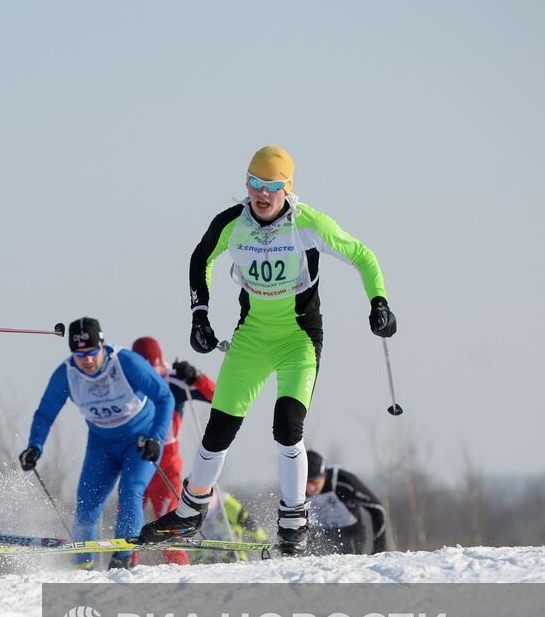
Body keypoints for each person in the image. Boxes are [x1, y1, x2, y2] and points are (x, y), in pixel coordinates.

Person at [138, 145, 396, 556]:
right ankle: (189, 513)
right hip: (251, 338)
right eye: (255, 184)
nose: (262, 194)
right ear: (246, 184)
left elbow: (362, 255)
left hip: (298, 339)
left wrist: (379, 302)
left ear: (287, 188)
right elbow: (200, 258)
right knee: (218, 429)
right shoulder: (232, 223)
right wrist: (200, 315)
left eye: (271, 186)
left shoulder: (308, 223)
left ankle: (293, 523)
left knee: (287, 425)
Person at [19, 318, 173, 569]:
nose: (87, 360)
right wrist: (35, 446)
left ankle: (122, 559)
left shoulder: (126, 363)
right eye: (80, 354)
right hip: (102, 444)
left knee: (130, 492)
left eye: (92, 352)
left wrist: (156, 437)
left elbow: (165, 397)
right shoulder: (66, 374)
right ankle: (82, 568)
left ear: (102, 347)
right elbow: (46, 413)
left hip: (140, 440)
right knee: (87, 504)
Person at [129, 336, 216, 565]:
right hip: (136, 459)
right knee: (128, 516)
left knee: (169, 523)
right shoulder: (127, 381)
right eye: (144, 370)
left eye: (153, 369)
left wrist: (196, 377)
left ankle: (180, 571)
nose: (150, 376)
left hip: (166, 464)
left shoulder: (173, 381)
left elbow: (217, 397)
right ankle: (125, 565)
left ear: (160, 364)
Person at [303, 450, 389, 555]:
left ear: (324, 474)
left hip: (350, 534)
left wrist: (378, 551)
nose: (311, 488)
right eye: (306, 482)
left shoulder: (343, 481)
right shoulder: (297, 489)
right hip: (320, 533)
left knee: (346, 567)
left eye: (315, 481)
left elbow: (377, 509)